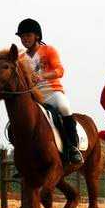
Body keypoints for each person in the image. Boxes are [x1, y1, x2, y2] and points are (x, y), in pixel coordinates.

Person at [15, 18, 83, 164]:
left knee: (64, 107)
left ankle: (73, 148)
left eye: (27, 35)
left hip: (52, 92)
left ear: (37, 36)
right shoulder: (21, 58)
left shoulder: (49, 50)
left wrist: (42, 76)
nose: (24, 39)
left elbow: (60, 70)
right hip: (33, 97)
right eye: (22, 37)